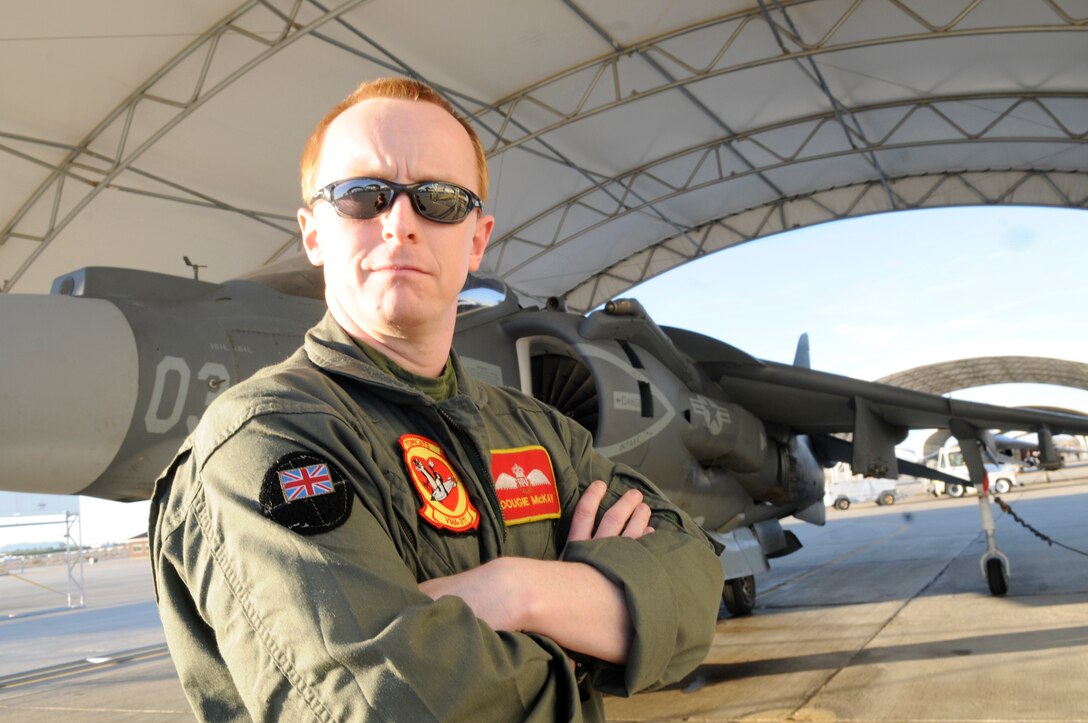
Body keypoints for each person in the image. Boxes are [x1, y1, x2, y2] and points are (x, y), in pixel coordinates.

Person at [150, 76, 724, 722]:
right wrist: (587, 630)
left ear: (477, 238)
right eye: (361, 197)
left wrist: (518, 593)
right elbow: (386, 703)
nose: (399, 224)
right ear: (313, 233)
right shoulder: (266, 441)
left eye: (439, 200)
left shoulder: (538, 432)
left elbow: (694, 582)